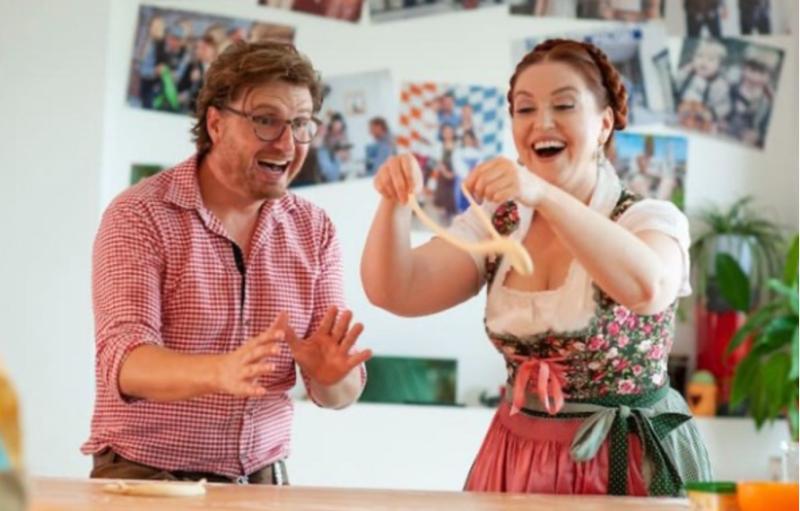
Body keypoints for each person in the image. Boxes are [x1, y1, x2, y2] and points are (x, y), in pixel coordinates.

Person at [361, 38, 711, 496]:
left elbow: (649, 288)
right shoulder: (500, 220)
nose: (541, 122)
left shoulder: (647, 218)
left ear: (604, 123)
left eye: (564, 105)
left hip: (624, 458)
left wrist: (545, 195)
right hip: (517, 458)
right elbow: (397, 290)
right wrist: (393, 203)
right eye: (524, 110)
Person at [82, 41, 371, 485]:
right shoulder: (140, 214)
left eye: (300, 124)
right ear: (215, 124)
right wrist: (220, 371)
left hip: (262, 481)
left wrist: (330, 376)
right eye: (265, 120)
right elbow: (125, 363)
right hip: (145, 477)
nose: (288, 143)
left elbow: (339, 391)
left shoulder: (315, 230)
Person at [722, 46, 779, 147]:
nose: (755, 77)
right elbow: (719, 101)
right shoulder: (733, 84)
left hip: (746, 136)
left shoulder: (767, 97)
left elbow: (769, 125)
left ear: (770, 75)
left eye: (762, 73)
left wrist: (759, 135)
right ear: (744, 68)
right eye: (752, 70)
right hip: (726, 126)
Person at [674, 38, 731, 133]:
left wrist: (713, 113)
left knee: (711, 129)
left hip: (702, 118)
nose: (704, 62)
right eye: (699, 56)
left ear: (719, 66)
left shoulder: (720, 85)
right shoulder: (687, 73)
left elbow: (725, 105)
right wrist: (683, 71)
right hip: (681, 111)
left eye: (711, 59)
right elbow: (675, 85)